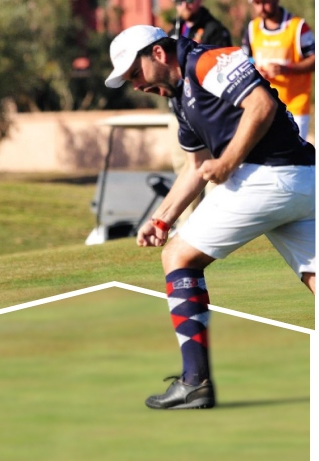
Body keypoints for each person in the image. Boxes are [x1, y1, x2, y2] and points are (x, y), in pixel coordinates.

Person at [105, 25, 315, 410]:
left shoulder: (207, 61)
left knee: (178, 257)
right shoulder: (180, 99)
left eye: (134, 74)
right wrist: (163, 218)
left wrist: (230, 160)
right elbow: (196, 166)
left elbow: (261, 106)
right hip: (303, 183)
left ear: (157, 54)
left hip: (268, 176)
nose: (135, 85)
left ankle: (195, 382)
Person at [168, 0, 233, 225]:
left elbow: (223, 67)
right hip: (179, 112)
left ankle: (212, 224)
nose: (184, 5)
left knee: (209, 171)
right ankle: (186, 227)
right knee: (184, 167)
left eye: (189, 0)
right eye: (179, 1)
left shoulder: (214, 29)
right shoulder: (173, 31)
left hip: (206, 113)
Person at [242, 0, 315, 140]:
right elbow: (246, 60)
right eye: (257, 3)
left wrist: (286, 69)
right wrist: (255, 70)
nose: (261, 8)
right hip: (264, 105)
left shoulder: (298, 26)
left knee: (296, 157)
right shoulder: (253, 28)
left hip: (295, 106)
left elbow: (314, 60)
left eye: (265, 2)